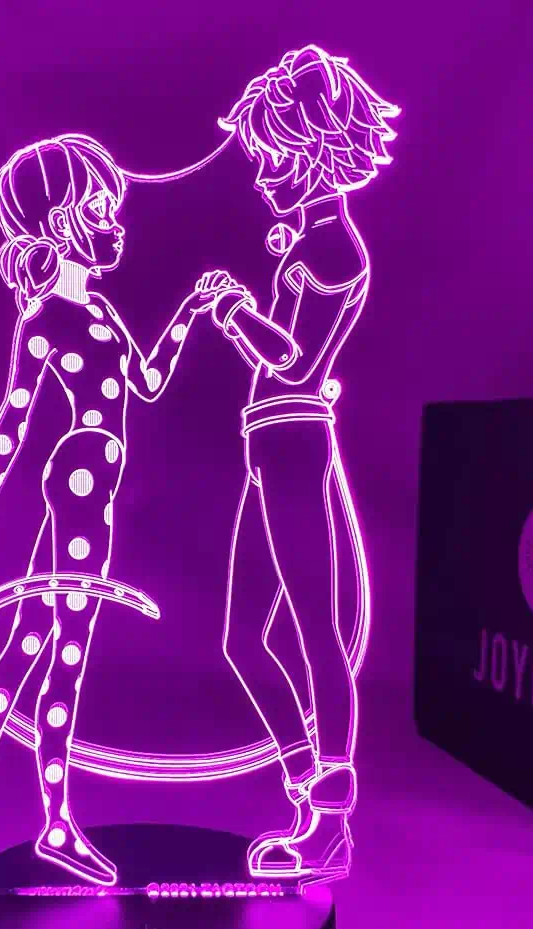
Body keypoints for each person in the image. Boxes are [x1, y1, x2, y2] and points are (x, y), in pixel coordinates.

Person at [0, 133, 234, 887]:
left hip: (92, 485)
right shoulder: (46, 321)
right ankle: (42, 825)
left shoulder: (98, 311)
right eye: (98, 210)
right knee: (61, 654)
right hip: (81, 481)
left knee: (32, 652)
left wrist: (190, 312)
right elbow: (13, 415)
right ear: (60, 222)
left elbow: (147, 384)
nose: (114, 226)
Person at [201, 45, 400, 882]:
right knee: (243, 638)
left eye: (270, 159)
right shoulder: (314, 241)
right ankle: (305, 789)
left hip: (291, 438)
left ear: (313, 149)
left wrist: (234, 311)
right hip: (270, 440)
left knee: (316, 630)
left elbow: (293, 359)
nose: (259, 178)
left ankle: (329, 822)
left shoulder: (336, 251)